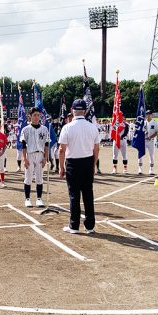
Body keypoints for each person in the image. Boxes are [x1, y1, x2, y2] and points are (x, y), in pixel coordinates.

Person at [59, 99, 100, 234]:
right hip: (87, 161)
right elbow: (96, 149)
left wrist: (61, 167)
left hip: (73, 163)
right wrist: (93, 164)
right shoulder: (92, 127)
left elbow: (61, 149)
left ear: (72, 111)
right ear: (85, 111)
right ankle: (89, 226)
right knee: (88, 194)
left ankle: (74, 225)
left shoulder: (67, 127)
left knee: (74, 195)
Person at [21, 108, 49, 208]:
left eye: (38, 115)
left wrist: (45, 158)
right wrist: (25, 159)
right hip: (30, 154)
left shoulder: (44, 129)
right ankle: (27, 199)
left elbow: (46, 144)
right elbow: (23, 145)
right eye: (34, 115)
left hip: (40, 155)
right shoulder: (26, 129)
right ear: (30, 116)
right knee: (28, 177)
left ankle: (39, 198)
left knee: (39, 177)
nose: (37, 117)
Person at [139, 110, 158, 175]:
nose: (148, 115)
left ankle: (151, 169)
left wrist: (150, 137)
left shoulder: (155, 123)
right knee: (141, 154)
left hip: (151, 141)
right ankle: (140, 168)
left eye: (149, 114)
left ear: (152, 115)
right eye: (147, 114)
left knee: (151, 155)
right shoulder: (143, 123)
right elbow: (139, 132)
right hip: (143, 141)